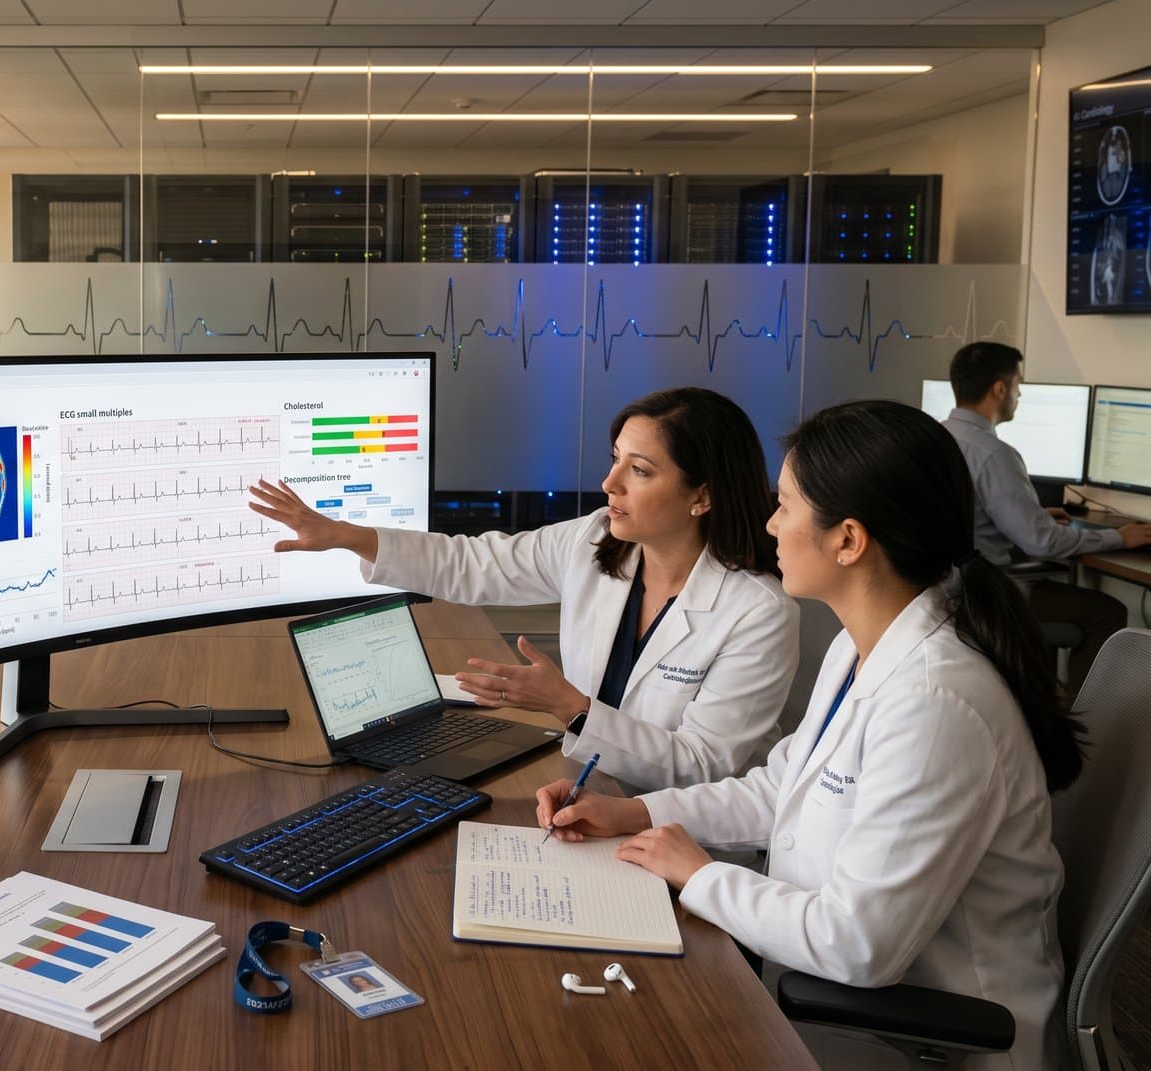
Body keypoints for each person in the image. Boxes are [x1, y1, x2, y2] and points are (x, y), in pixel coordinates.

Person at [538, 400, 1076, 1070]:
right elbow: (779, 788)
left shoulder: (935, 702)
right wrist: (636, 812)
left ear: (847, 540)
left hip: (922, 1038)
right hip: (823, 994)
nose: (769, 523)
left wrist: (700, 873)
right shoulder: (861, 648)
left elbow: (859, 945)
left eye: (785, 505)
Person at [249, 387, 799, 791]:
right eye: (615, 460)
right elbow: (475, 564)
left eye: (640, 471)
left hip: (682, 842)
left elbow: (702, 766)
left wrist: (568, 706)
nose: (609, 483)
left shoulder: (757, 612)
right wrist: (346, 536)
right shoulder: (596, 539)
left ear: (701, 496)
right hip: (581, 796)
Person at [940, 341, 1149, 691]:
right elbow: (1041, 542)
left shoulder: (936, 437)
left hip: (948, 589)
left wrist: (1029, 514)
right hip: (988, 595)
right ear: (1000, 389)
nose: (1019, 395)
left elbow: (972, 514)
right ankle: (1082, 719)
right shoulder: (994, 453)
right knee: (1108, 613)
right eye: (1018, 385)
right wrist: (1120, 537)